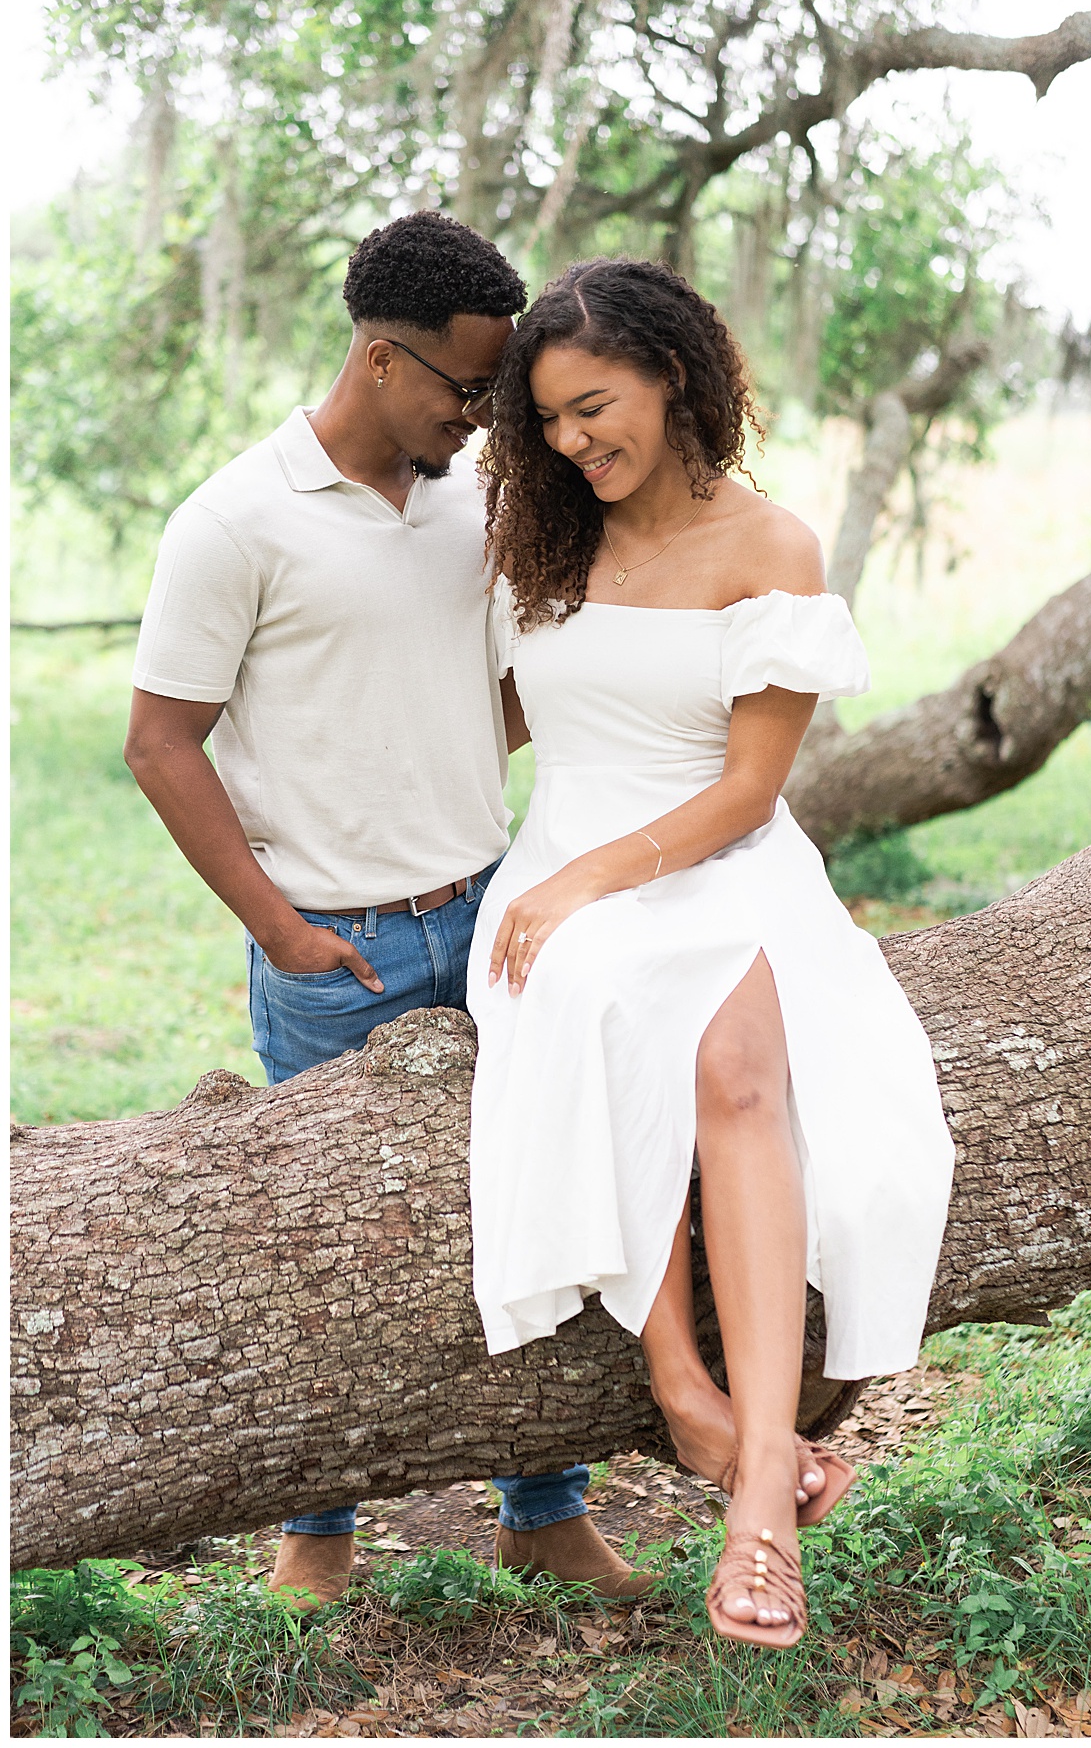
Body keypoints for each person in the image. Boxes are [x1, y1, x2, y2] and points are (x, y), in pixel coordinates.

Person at [123, 213, 652, 1612]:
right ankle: (319, 1529)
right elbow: (160, 741)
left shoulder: (473, 500)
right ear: (377, 356)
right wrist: (286, 929)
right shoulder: (234, 520)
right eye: (465, 389)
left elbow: (507, 688)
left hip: (491, 916)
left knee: (540, 1209)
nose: (485, 418)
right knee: (325, 1249)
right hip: (331, 951)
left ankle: (544, 1509)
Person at [466, 258, 956, 1647]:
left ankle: (754, 1503)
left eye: (593, 406)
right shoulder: (542, 539)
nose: (571, 443)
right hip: (565, 864)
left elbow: (748, 791)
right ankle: (688, 1384)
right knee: (608, 1011)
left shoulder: (773, 550)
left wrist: (592, 884)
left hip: (720, 861)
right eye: (548, 421)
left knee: (740, 1062)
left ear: (672, 373)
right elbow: (490, 721)